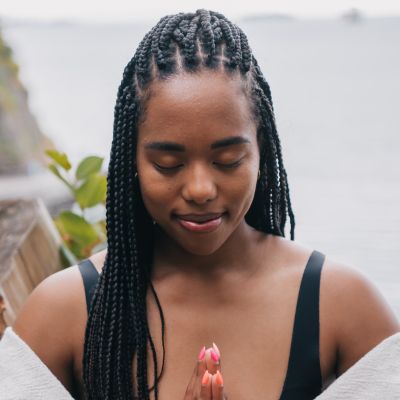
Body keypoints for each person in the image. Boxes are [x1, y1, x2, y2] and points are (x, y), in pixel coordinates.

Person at [10, 9, 399, 400]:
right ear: (132, 160)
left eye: (227, 160)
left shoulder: (342, 306)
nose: (199, 189)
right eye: (168, 164)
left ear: (261, 150)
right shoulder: (63, 313)